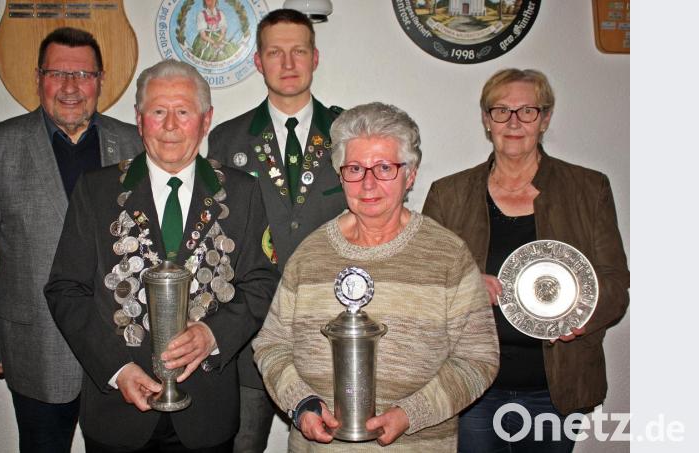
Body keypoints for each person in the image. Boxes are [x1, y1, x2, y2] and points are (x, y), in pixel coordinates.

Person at [44, 59, 279, 452]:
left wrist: (212, 335)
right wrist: (117, 369)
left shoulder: (241, 193)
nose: (170, 125)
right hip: (119, 411)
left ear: (206, 121)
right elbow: (66, 289)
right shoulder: (96, 191)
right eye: (158, 111)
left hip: (207, 412)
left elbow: (262, 283)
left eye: (183, 112)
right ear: (139, 120)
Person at [253, 102, 500, 452]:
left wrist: (410, 413)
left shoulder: (448, 255)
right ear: (340, 175)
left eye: (384, 168)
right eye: (355, 168)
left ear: (410, 175)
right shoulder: (310, 254)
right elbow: (271, 345)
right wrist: (302, 403)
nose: (368, 183)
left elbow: (479, 358)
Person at [422, 68, 630, 452]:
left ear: (545, 118)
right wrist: (465, 287)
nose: (513, 122)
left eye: (527, 111)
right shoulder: (447, 194)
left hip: (554, 388)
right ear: (487, 120)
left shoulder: (589, 188)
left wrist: (581, 316)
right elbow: (422, 282)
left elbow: (615, 284)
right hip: (473, 386)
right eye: (500, 111)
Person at [0, 27, 142, 453]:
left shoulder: (135, 144)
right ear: (38, 77)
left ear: (100, 80)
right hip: (36, 351)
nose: (70, 87)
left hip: (122, 348)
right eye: (57, 73)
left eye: (83, 75)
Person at [207, 9, 346, 451]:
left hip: (330, 338)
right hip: (250, 340)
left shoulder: (348, 135)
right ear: (257, 62)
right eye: (275, 52)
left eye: (298, 51)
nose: (288, 64)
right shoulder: (227, 141)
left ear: (316, 57)